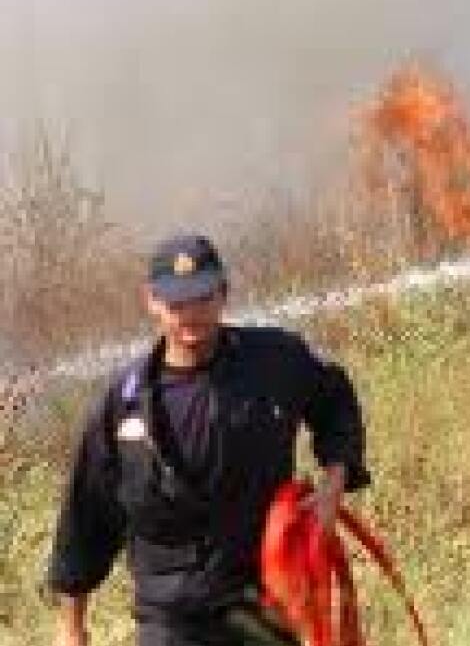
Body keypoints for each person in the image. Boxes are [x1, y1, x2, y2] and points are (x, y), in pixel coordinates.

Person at [45, 234, 372, 646]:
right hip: (170, 617)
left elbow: (334, 401)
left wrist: (334, 482)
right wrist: (71, 626)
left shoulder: (274, 361)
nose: (190, 315)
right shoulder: (124, 405)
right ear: (151, 301)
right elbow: (86, 516)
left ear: (223, 294)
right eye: (176, 303)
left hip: (262, 600)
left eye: (202, 298)